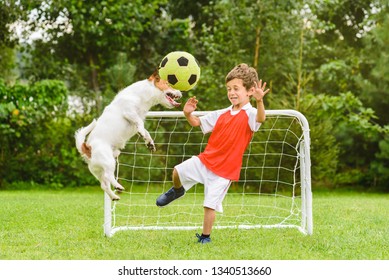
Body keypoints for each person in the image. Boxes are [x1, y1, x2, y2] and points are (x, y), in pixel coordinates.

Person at [156, 63, 269, 244]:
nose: (231, 92)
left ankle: (205, 237)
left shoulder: (251, 113)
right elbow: (197, 123)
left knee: (209, 205)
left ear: (249, 91)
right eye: (229, 89)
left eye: (236, 89)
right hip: (206, 160)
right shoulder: (222, 113)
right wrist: (187, 114)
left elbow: (261, 119)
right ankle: (177, 191)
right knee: (177, 171)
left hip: (224, 171)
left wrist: (260, 100)